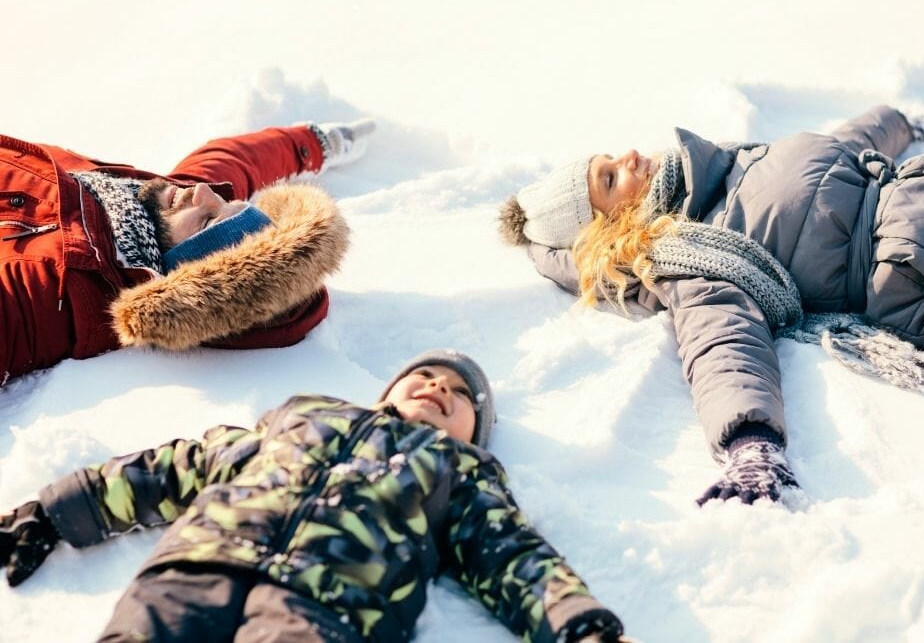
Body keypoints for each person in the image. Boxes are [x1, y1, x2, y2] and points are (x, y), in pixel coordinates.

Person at [498, 105, 924, 506]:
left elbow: (839, 151)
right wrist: (750, 441)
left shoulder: (720, 163)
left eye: (609, 159)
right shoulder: (693, 252)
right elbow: (722, 343)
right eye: (610, 180)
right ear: (608, 228)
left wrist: (896, 121)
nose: (628, 158)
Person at [0, 349, 628, 643]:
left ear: (473, 432)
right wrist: (53, 511)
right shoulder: (303, 415)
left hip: (330, 608)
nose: (440, 386)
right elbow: (179, 467)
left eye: (461, 394)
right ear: (389, 388)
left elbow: (510, 554)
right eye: (426, 375)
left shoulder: (457, 473)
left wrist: (581, 628)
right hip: (193, 570)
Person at [1, 119, 375, 386]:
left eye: (208, 221)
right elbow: (236, 159)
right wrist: (316, 141)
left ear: (184, 272)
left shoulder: (54, 297)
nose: (203, 193)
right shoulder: (146, 208)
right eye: (229, 203)